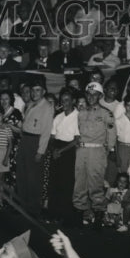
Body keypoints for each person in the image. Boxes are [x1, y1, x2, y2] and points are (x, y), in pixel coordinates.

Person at [73, 81, 116, 227]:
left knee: (96, 184)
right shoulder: (81, 113)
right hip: (81, 151)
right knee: (79, 183)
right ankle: (79, 213)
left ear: (100, 96)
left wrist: (107, 151)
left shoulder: (106, 113)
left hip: (97, 152)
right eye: (89, 94)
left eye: (95, 94)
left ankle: (98, 215)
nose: (91, 97)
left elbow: (111, 135)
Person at [15, 77, 54, 217]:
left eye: (38, 90)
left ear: (44, 91)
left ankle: (33, 208)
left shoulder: (47, 107)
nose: (34, 93)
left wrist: (40, 151)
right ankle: (22, 205)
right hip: (25, 140)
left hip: (35, 142)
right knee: (22, 174)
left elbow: (46, 132)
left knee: (34, 177)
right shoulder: (31, 104)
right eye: (32, 90)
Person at [47, 89, 80, 224]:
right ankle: (52, 213)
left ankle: (64, 215)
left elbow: (77, 140)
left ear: (73, 101)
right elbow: (52, 137)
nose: (64, 103)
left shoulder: (78, 116)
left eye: (67, 100)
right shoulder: (58, 117)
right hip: (56, 150)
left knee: (66, 184)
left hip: (69, 151)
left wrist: (61, 151)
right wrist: (54, 150)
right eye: (62, 100)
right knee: (54, 182)